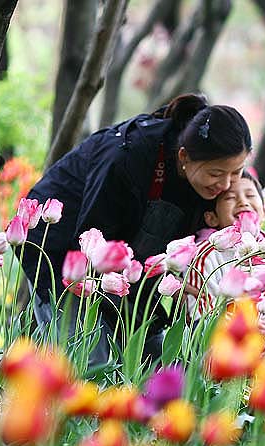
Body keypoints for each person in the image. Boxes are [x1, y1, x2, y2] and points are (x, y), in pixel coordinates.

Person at [19, 93, 252, 364]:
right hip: (63, 253)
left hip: (131, 270)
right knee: (88, 361)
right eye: (216, 174)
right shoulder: (126, 156)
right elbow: (89, 242)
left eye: (236, 172)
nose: (225, 184)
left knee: (148, 365)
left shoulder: (207, 182)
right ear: (183, 156)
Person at [185, 171, 265, 335]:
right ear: (212, 218)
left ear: (264, 212)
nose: (243, 202)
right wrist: (241, 325)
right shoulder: (206, 255)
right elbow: (200, 310)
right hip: (216, 343)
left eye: (250, 195)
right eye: (230, 198)